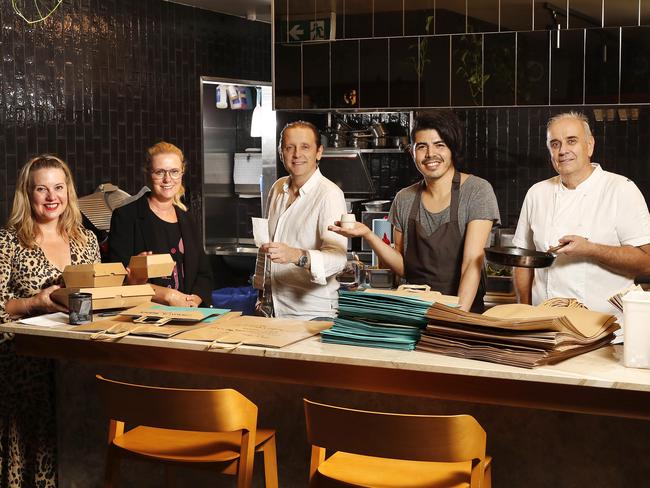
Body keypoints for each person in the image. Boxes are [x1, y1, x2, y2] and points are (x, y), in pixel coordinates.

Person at [330, 111, 500, 312]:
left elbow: (472, 262)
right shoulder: (405, 199)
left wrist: (456, 318)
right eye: (422, 147)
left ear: (452, 149)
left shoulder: (477, 191)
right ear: (412, 152)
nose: (430, 154)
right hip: (413, 312)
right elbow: (404, 268)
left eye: (439, 145)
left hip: (462, 314)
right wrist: (368, 234)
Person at [0, 155, 101, 488]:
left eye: (58, 187)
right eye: (41, 189)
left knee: (77, 445)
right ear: (27, 194)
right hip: (25, 365)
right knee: (35, 444)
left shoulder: (86, 239)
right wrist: (34, 303)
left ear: (68, 191)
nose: (51, 197)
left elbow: (98, 297)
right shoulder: (8, 241)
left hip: (77, 363)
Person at [513, 111, 650, 318]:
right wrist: (523, 312)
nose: (562, 151)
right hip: (544, 327)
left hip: (606, 329)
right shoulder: (537, 193)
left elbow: (647, 262)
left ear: (590, 145)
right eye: (555, 144)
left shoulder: (621, 189)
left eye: (571, 141)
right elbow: (522, 259)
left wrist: (591, 250)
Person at [259, 121, 347, 320]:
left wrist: (297, 255)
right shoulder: (277, 188)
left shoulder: (329, 195)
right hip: (272, 311)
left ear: (319, 152)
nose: (297, 154)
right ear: (281, 153)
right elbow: (265, 245)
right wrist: (261, 292)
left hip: (312, 314)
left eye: (305, 147)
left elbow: (338, 259)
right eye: (290, 147)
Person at [108, 142, 213, 307]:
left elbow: (204, 273)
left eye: (174, 172)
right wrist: (168, 296)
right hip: (145, 314)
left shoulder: (188, 219)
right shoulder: (126, 217)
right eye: (160, 172)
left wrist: (196, 299)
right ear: (148, 174)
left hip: (190, 313)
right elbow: (116, 278)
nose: (167, 179)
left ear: (182, 173)